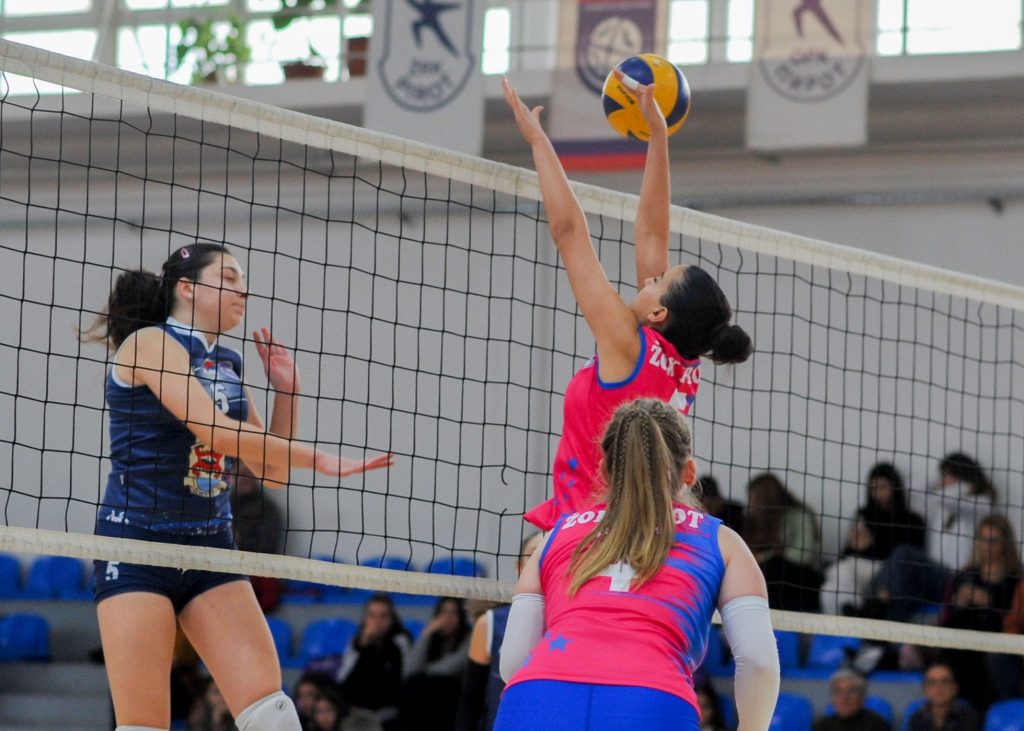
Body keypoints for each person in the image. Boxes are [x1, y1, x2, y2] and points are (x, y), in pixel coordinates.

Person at [81, 242, 394, 731]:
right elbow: (214, 430)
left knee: (273, 713)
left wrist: (287, 394)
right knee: (144, 724)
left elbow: (271, 472)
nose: (241, 289)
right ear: (187, 288)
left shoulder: (227, 362)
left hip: (211, 548)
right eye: (228, 278)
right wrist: (317, 457)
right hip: (138, 546)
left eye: (242, 280)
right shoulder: (149, 344)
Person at [503, 76, 752, 532]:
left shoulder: (625, 343)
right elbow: (653, 233)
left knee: (528, 568)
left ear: (659, 313)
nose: (651, 275)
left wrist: (538, 142)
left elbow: (569, 233)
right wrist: (658, 133)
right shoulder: (684, 360)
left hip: (589, 528)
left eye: (659, 280)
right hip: (640, 528)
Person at [496, 398, 780, 730]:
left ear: (605, 472)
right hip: (651, 701)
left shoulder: (554, 537)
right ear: (689, 473)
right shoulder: (722, 542)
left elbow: (514, 660)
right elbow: (759, 661)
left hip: (536, 698)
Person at [863, 453, 995, 622]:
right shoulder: (939, 507)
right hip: (931, 575)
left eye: (946, 475)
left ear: (961, 476)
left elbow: (950, 499)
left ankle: (873, 605)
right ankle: (878, 630)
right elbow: (910, 488)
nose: (942, 480)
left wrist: (963, 485)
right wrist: (939, 480)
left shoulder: (980, 504)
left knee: (903, 552)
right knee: (904, 589)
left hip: (956, 580)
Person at [455, 533, 543, 731]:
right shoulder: (490, 623)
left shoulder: (577, 623)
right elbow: (470, 705)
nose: (541, 561)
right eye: (533, 555)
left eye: (548, 554)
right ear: (519, 567)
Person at [935, 514, 1020, 711]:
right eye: (983, 539)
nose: (987, 546)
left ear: (1005, 543)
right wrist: (958, 603)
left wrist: (989, 604)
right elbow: (945, 618)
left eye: (993, 541)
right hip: (961, 643)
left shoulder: (1016, 580)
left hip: (997, 645)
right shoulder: (963, 575)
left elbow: (1016, 624)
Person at [823, 463, 925, 615]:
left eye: (883, 487)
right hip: (859, 571)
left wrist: (871, 545)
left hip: (888, 573)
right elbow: (847, 554)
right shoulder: (863, 515)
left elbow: (908, 559)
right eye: (873, 488)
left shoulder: (913, 520)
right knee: (829, 587)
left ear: (895, 487)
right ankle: (851, 616)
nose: (878, 494)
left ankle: (854, 616)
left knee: (839, 572)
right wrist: (855, 544)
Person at [744, 472, 822, 612]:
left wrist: (769, 556)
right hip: (772, 573)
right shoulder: (756, 521)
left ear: (765, 500)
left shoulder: (799, 515)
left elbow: (803, 555)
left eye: (753, 501)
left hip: (801, 579)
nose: (750, 506)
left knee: (774, 567)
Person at [336, 593, 412, 730]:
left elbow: (403, 680)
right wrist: (362, 647)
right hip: (358, 715)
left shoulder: (401, 641)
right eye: (372, 616)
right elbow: (343, 681)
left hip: (391, 715)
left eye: (383, 616)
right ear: (365, 619)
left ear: (392, 619)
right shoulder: (357, 643)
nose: (377, 621)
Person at [401, 596, 472, 730]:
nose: (447, 617)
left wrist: (425, 671)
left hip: (453, 697)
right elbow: (410, 669)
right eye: (443, 612)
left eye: (453, 612)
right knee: (412, 685)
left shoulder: (469, 638)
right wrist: (426, 634)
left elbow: (452, 666)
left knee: (436, 683)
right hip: (428, 699)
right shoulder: (433, 639)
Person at [905, 661, 980, 731]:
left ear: (955, 687)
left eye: (945, 681)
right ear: (925, 689)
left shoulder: (969, 717)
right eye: (932, 682)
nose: (939, 687)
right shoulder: (916, 719)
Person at [812, 669, 890, 731]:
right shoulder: (822, 726)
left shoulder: (877, 725)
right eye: (838, 692)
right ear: (832, 698)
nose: (844, 698)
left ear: (862, 696)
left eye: (851, 691)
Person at [309, 687, 382, 731]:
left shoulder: (357, 725)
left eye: (328, 710)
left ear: (338, 709)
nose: (324, 716)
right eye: (318, 712)